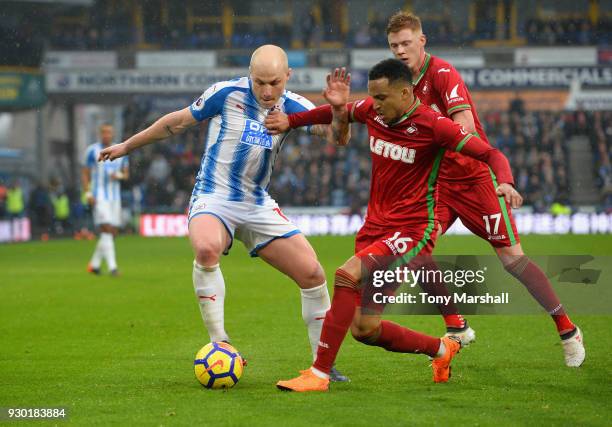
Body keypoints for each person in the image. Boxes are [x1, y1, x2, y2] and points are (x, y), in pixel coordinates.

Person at [98, 45, 348, 382]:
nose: (266, 90)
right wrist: (127, 146)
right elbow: (177, 123)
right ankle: (221, 343)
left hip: (257, 202)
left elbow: (338, 137)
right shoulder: (225, 93)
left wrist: (339, 110)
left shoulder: (295, 107)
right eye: (259, 82)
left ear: (287, 77)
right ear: (249, 75)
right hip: (213, 197)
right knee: (205, 249)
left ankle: (323, 365)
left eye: (274, 82)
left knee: (313, 274)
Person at [274, 60, 522, 392]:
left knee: (347, 274)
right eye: (372, 97)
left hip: (412, 231)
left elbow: (492, 154)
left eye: (381, 97)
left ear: (405, 93)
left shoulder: (435, 125)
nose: (374, 105)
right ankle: (441, 348)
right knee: (365, 328)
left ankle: (319, 374)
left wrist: (504, 182)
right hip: (375, 227)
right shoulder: (375, 112)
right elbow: (341, 113)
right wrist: (290, 121)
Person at [384, 11, 583, 367]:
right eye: (394, 45)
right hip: (438, 185)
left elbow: (464, 126)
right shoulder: (397, 84)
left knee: (513, 261)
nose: (400, 50)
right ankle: (456, 325)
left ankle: (568, 329)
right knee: (414, 249)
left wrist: (498, 176)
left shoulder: (443, 74)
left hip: (474, 180)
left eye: (406, 43)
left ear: (421, 41)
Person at [82, 123, 129, 276]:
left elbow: (126, 174)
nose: (106, 135)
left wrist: (119, 176)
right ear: (100, 134)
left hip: (115, 198)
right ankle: (112, 268)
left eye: (109, 132)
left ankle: (94, 265)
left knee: (112, 233)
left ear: (113, 133)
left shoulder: (121, 150)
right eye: (104, 132)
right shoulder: (92, 151)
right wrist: (88, 193)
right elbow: (85, 173)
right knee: (107, 229)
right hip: (99, 196)